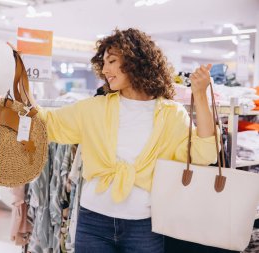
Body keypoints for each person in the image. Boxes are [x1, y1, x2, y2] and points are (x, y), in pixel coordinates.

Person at [28, 28, 218, 253]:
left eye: (112, 61)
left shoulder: (171, 114)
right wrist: (18, 77)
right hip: (93, 222)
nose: (105, 69)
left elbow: (205, 153)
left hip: (144, 227)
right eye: (104, 62)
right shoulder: (95, 108)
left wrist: (200, 94)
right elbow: (46, 122)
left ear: (134, 61)